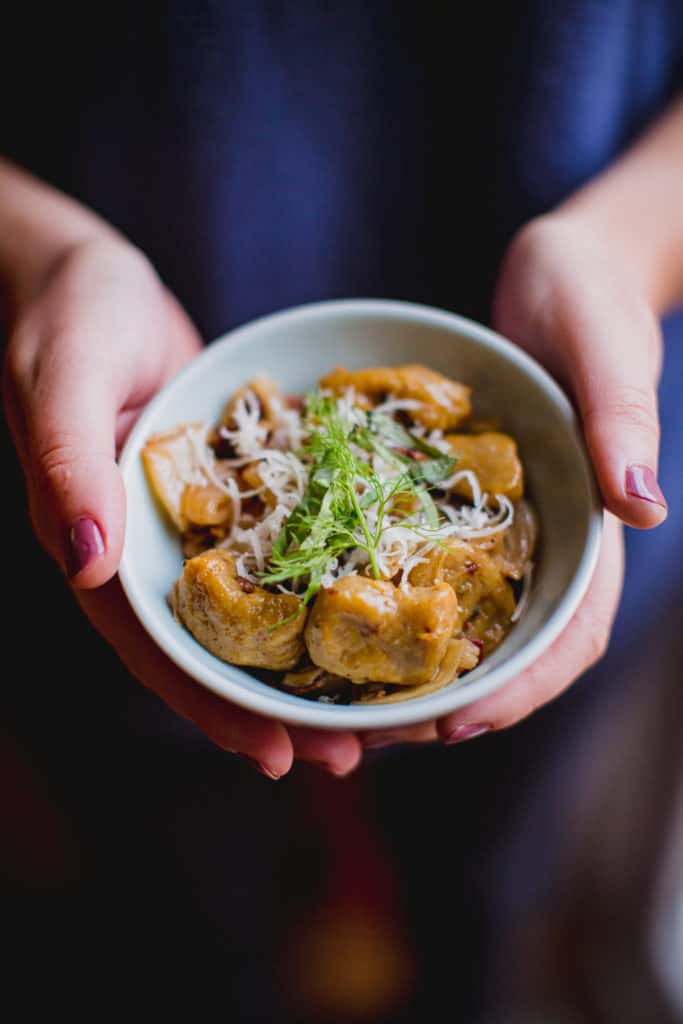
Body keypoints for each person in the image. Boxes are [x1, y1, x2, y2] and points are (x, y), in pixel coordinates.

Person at [2, 4, 682, 1017]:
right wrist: (39, 258)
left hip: (586, 365)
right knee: (164, 871)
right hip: (92, 395)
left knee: (490, 851)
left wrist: (624, 248)